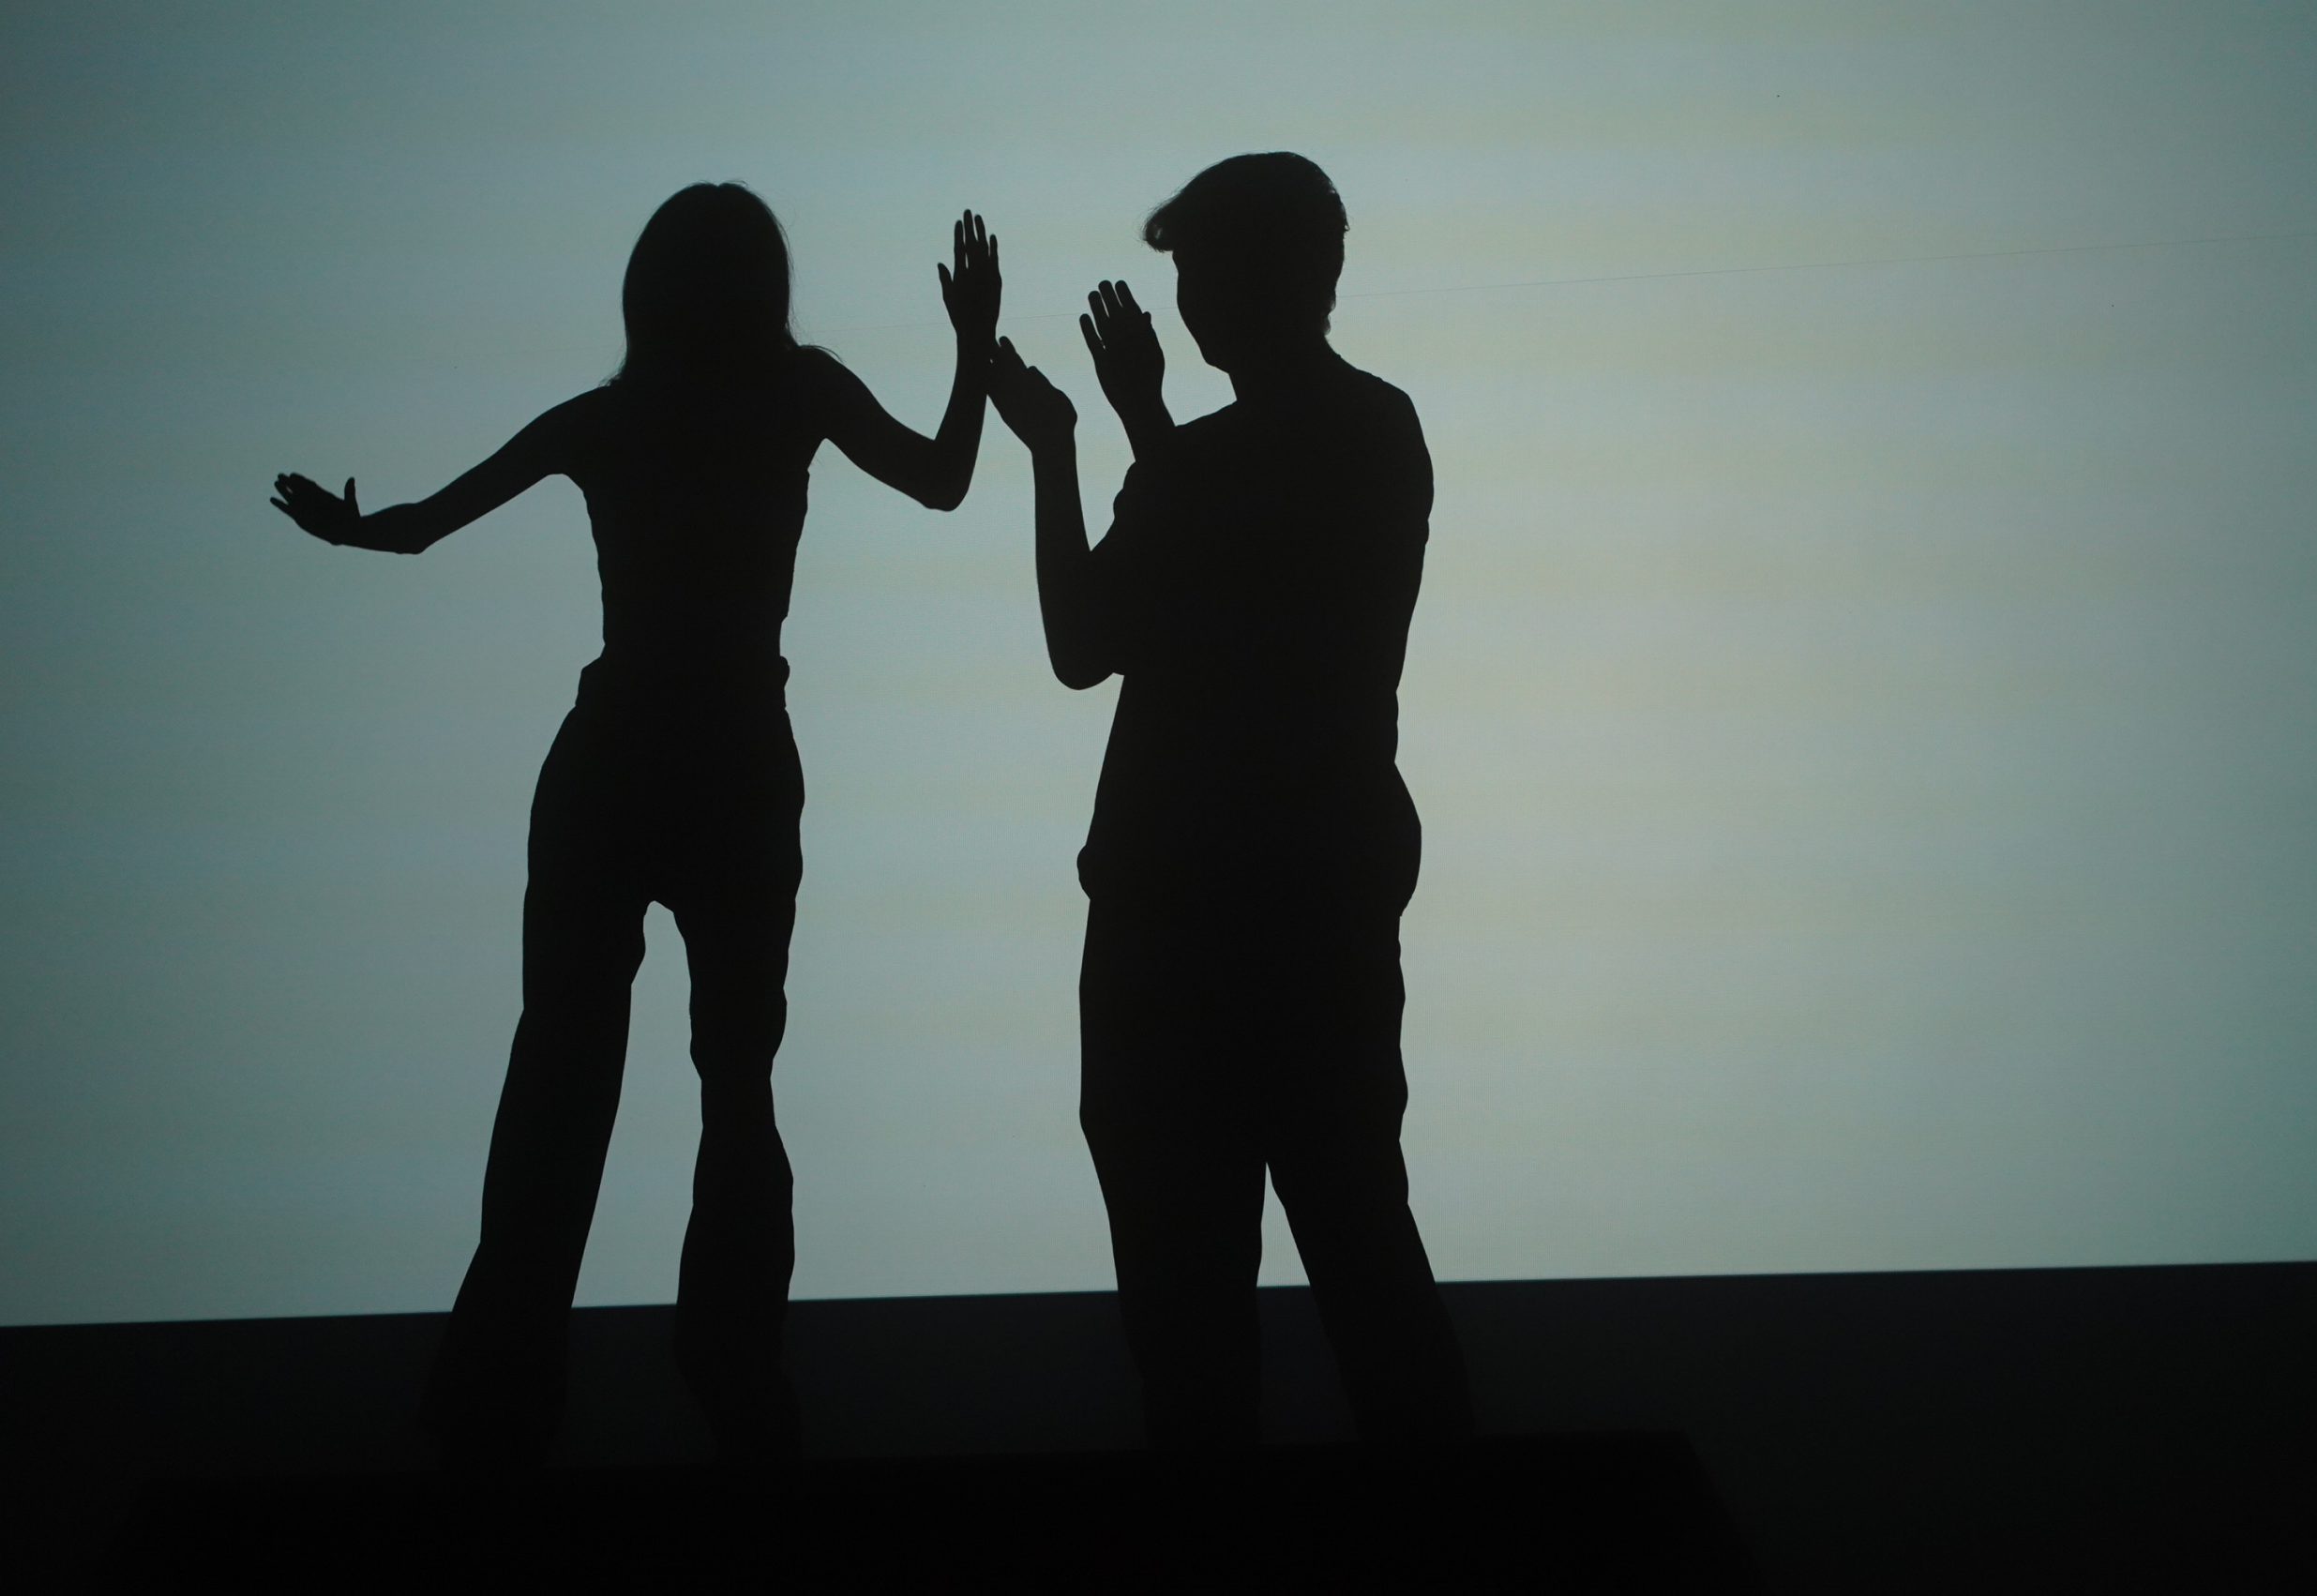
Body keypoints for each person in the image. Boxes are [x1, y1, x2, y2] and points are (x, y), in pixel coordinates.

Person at [269, 184, 1001, 1468]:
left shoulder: (611, 419)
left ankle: (503, 1384)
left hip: (616, 755)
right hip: (735, 755)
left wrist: (353, 529)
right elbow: (943, 482)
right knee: (733, 1071)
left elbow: (422, 529)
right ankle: (729, 1368)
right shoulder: (796, 392)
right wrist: (974, 347)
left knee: (564, 1065)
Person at [986, 153, 1472, 1448]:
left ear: (1265, 278)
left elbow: (1142, 625)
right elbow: (1131, 621)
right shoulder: (1346, 435)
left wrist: (1094, 441)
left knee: (1259, 1267)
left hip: (1219, 910)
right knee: (1299, 1253)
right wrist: (1103, 440)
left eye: (1200, 272)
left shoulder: (1322, 439)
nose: (1186, 302)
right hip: (1253, 902)